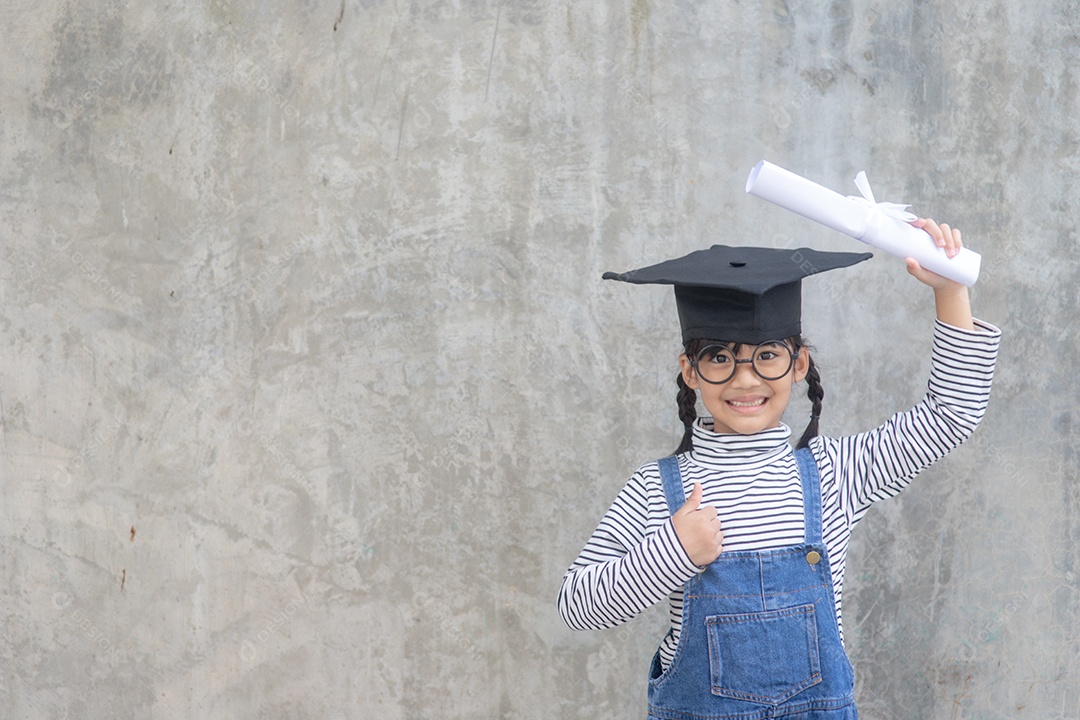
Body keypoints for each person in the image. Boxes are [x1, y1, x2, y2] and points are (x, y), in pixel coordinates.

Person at [558, 219, 1000, 719]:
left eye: (767, 356)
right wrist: (673, 551)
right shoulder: (656, 490)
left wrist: (951, 291)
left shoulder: (837, 473)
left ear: (799, 364)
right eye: (719, 357)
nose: (745, 380)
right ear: (689, 370)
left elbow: (952, 414)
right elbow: (577, 606)